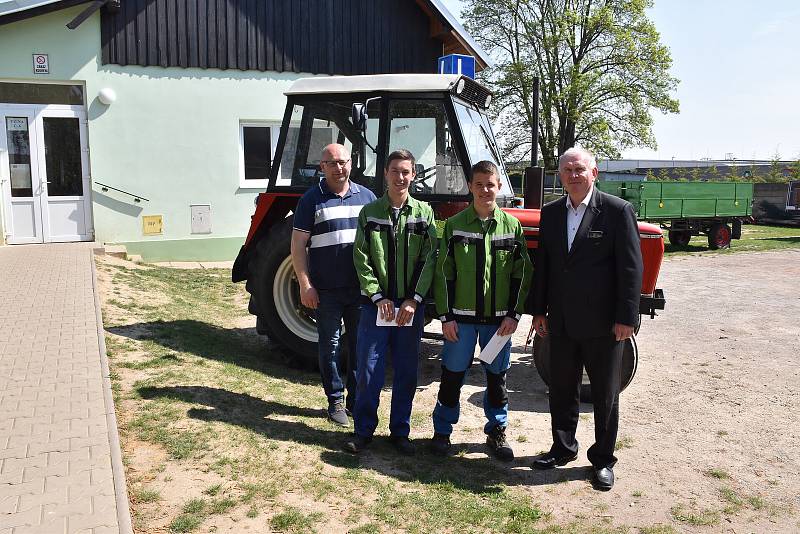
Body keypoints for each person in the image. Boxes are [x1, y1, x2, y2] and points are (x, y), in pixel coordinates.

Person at [530, 147, 642, 491]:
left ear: (594, 173)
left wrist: (627, 317)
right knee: (561, 390)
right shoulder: (550, 214)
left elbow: (630, 268)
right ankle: (562, 448)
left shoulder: (616, 211)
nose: (573, 175)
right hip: (561, 322)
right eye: (567, 170)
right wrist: (538, 311)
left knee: (606, 395)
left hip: (604, 325)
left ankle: (603, 460)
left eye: (580, 169)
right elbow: (544, 266)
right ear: (559, 176)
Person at [429, 160, 532, 461]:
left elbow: (522, 274)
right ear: (470, 187)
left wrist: (514, 315)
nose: (485, 189)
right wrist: (446, 317)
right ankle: (442, 432)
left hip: (498, 324)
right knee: (451, 377)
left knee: (496, 379)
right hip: (460, 322)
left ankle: (496, 432)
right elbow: (443, 274)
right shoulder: (455, 225)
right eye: (479, 184)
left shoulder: (512, 226)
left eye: (491, 184)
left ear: (499, 186)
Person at [343, 150, 438, 455]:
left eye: (406, 172)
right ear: (385, 173)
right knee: (368, 369)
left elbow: (429, 259)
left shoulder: (424, 213)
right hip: (376, 307)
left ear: (413, 175)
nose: (400, 177)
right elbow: (362, 258)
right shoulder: (370, 213)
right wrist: (377, 295)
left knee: (407, 370)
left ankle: (400, 432)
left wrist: (414, 299)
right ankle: (363, 431)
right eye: (395, 171)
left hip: (410, 309)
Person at [291, 143, 377, 426]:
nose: (339, 168)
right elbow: (298, 245)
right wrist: (305, 285)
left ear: (351, 164)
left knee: (358, 346)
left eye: (343, 162)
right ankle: (335, 400)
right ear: (322, 167)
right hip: (325, 291)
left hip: (359, 290)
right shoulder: (310, 200)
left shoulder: (367, 197)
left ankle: (355, 400)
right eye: (332, 163)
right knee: (329, 346)